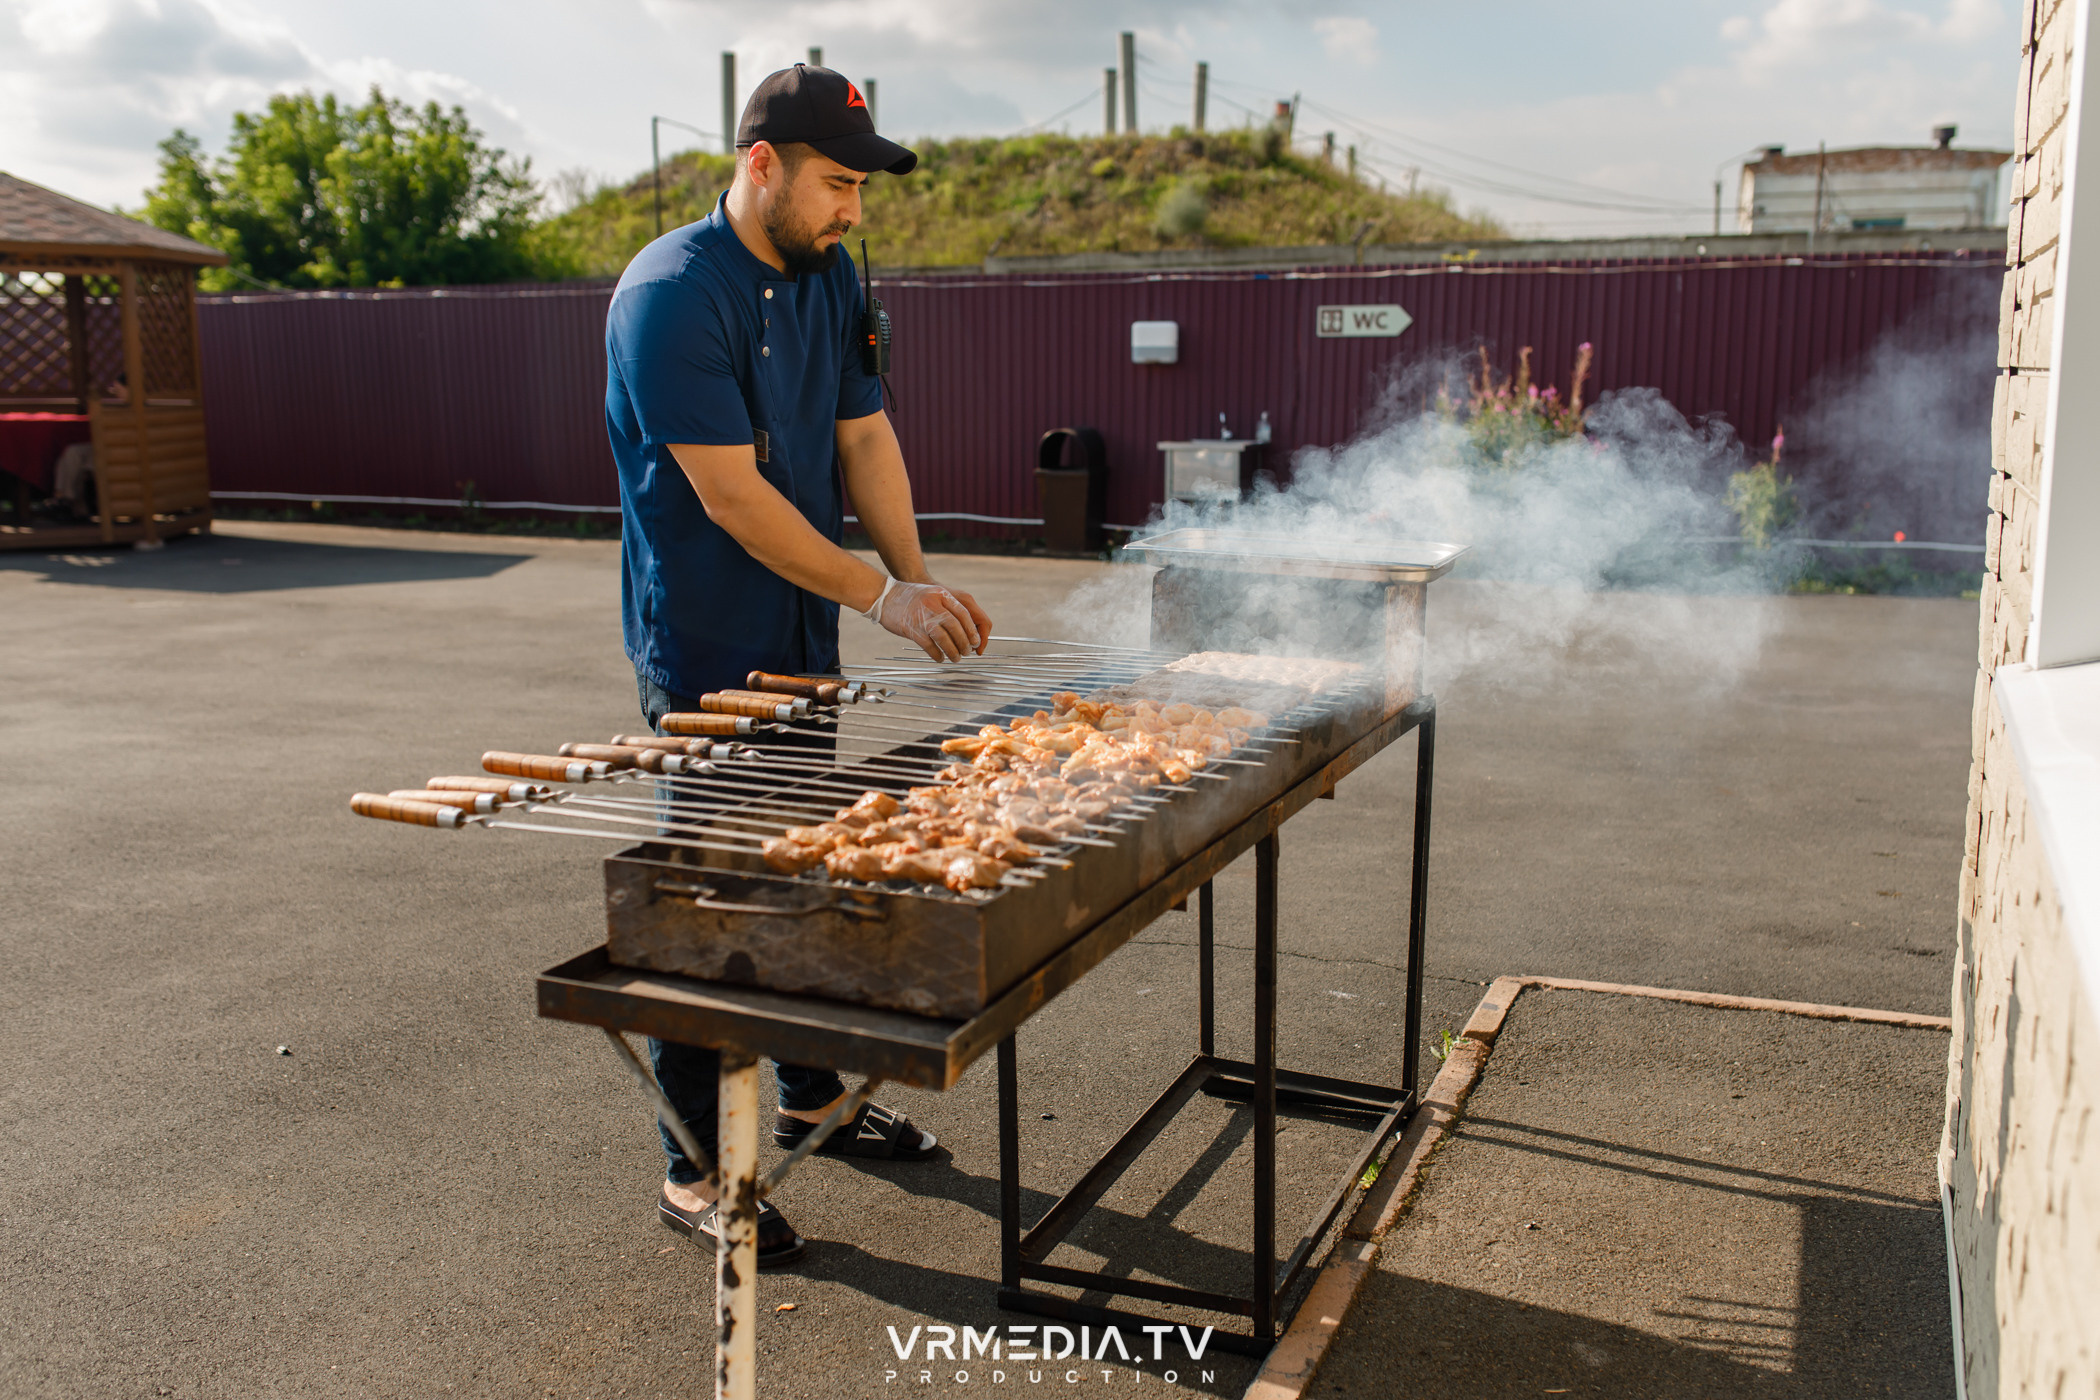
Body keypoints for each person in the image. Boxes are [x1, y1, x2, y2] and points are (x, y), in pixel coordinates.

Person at [603, 64, 993, 1268]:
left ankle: (816, 1098)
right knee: (710, 904)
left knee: (806, 866)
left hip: (804, 639)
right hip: (709, 651)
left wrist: (915, 577)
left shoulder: (832, 278)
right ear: (761, 163)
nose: (854, 210)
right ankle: (694, 1172)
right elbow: (731, 495)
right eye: (836, 183)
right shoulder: (672, 293)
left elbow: (863, 434)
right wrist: (881, 594)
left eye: (862, 187)